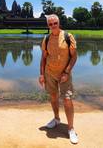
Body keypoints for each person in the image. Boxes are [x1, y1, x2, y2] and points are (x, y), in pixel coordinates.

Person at [38, 14, 78, 144]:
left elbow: (74, 57)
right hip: (49, 73)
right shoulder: (47, 38)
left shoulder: (67, 37)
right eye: (50, 24)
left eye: (55, 23)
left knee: (67, 99)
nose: (53, 26)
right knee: (53, 97)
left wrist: (66, 72)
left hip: (64, 74)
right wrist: (41, 74)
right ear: (48, 26)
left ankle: (71, 128)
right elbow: (43, 58)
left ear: (58, 23)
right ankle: (56, 119)